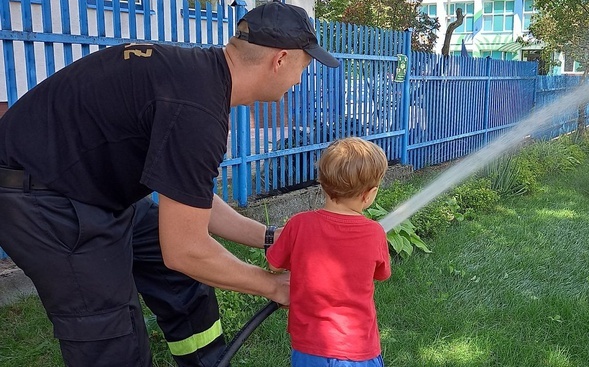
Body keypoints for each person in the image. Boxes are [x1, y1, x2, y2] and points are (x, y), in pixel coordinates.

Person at [0, 1, 339, 366]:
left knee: (184, 283)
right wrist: (272, 285)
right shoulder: (197, 109)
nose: (299, 80)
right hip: (42, 198)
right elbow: (185, 249)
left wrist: (270, 238)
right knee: (111, 333)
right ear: (281, 59)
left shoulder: (198, 79)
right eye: (303, 68)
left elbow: (190, 195)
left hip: (92, 188)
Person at [265, 137, 392, 367]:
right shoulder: (375, 233)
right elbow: (382, 274)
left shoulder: (299, 224)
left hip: (309, 348)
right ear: (369, 194)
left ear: (322, 184)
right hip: (360, 350)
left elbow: (274, 265)